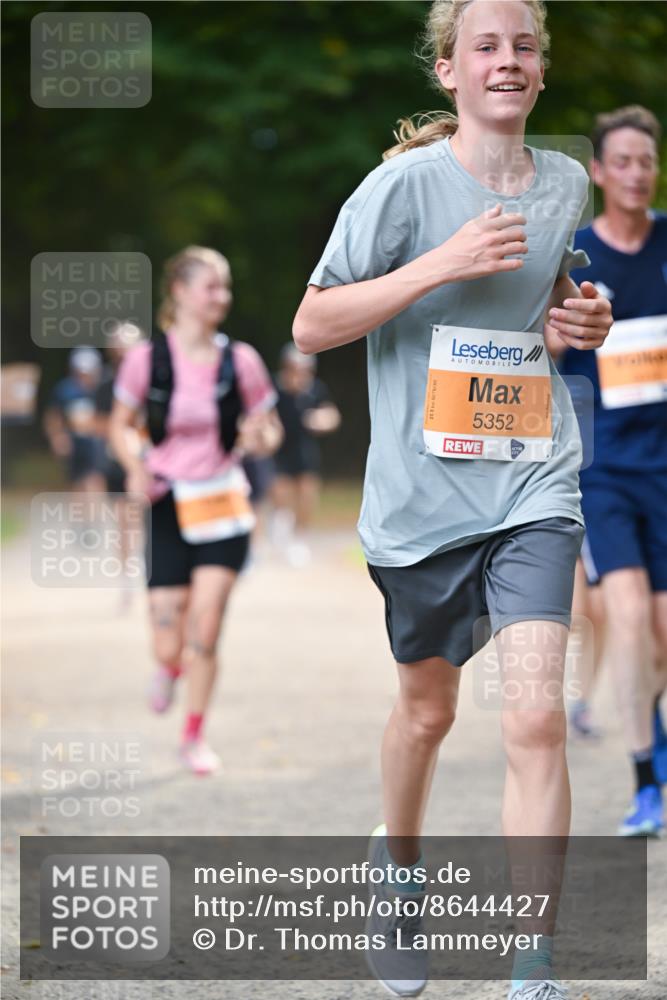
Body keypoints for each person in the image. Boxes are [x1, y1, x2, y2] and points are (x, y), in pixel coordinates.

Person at [293, 2, 612, 998]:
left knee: (533, 720)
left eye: (523, 46)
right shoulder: (399, 189)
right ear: (448, 71)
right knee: (426, 715)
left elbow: (546, 302)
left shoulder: (567, 182)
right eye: (486, 45)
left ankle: (531, 960)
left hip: (530, 481)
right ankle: (395, 873)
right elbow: (311, 323)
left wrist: (582, 315)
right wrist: (439, 261)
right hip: (420, 504)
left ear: (539, 72)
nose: (506, 60)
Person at [110, 246, 282, 774]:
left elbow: (269, 431)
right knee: (168, 640)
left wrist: (258, 440)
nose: (221, 298)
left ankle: (193, 736)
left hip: (221, 504)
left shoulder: (243, 361)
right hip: (167, 504)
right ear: (180, 291)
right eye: (211, 287)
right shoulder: (148, 359)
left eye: (225, 288)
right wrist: (135, 466)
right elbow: (119, 424)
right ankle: (168, 669)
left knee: (205, 630)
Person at [549, 106, 667, 835]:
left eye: (645, 162)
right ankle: (643, 781)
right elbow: (547, 353)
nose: (633, 173)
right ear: (596, 171)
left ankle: (649, 739)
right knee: (623, 618)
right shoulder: (576, 255)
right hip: (604, 470)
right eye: (620, 161)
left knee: (659, 631)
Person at [270, 344, 341, 566]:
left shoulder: (314, 389)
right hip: (278, 450)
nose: (301, 375)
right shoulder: (274, 389)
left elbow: (331, 414)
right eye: (296, 369)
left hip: (303, 448)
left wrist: (324, 419)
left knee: (307, 492)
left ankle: (299, 539)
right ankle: (281, 521)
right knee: (281, 492)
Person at [43, 347, 107, 493]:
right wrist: (57, 437)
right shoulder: (65, 389)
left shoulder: (103, 389)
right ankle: (81, 514)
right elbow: (54, 416)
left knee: (95, 480)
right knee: (77, 483)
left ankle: (94, 514)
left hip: (98, 444)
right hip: (75, 444)